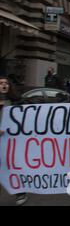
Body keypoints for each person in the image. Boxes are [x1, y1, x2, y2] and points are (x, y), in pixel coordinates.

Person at [0, 76, 28, 206]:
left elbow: (28, 115)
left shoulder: (16, 101)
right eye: (1, 83)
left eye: (6, 83)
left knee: (12, 167)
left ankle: (20, 193)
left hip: (11, 141)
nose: (4, 85)